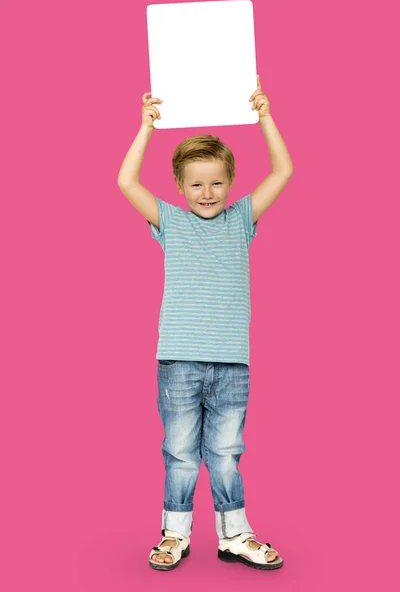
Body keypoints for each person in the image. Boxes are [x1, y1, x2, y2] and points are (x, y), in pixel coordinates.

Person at [117, 75, 293, 571]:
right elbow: (126, 182)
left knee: (225, 451)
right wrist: (146, 127)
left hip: (232, 363)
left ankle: (234, 534)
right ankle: (175, 533)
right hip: (177, 362)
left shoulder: (242, 219)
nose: (207, 191)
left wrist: (265, 116)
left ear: (230, 182)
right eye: (196, 183)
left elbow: (283, 170)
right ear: (179, 186)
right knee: (179, 452)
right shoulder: (170, 221)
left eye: (217, 181)